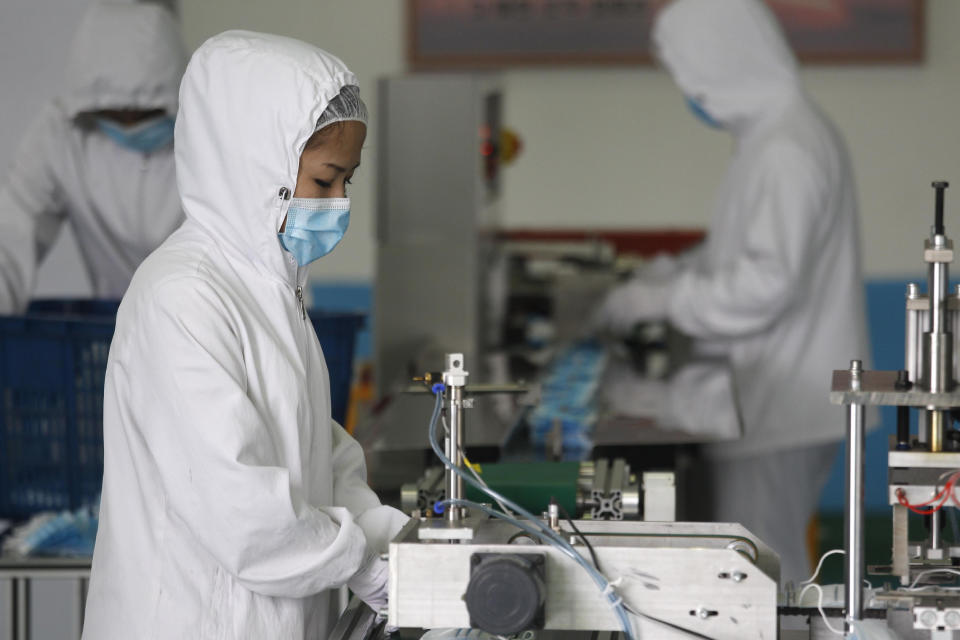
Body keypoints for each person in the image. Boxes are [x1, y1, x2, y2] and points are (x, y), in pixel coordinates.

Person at [81, 31, 408, 638]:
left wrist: (399, 547)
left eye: (347, 182)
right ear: (260, 169)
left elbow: (317, 453)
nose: (339, 203)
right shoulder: (182, 296)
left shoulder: (272, 290)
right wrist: (363, 563)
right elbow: (245, 513)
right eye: (325, 180)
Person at [593, 0, 870, 584]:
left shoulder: (785, 149)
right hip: (779, 394)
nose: (693, 94)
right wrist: (674, 271)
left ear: (722, 61)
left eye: (693, 77)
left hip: (782, 404)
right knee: (762, 568)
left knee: (764, 578)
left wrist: (662, 300)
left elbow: (762, 287)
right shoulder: (774, 134)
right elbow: (744, 256)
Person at [0, 2, 186, 313]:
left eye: (145, 114)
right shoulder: (60, 135)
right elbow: (12, 229)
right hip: (109, 329)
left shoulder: (211, 135)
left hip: (200, 327)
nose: (129, 125)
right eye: (115, 112)